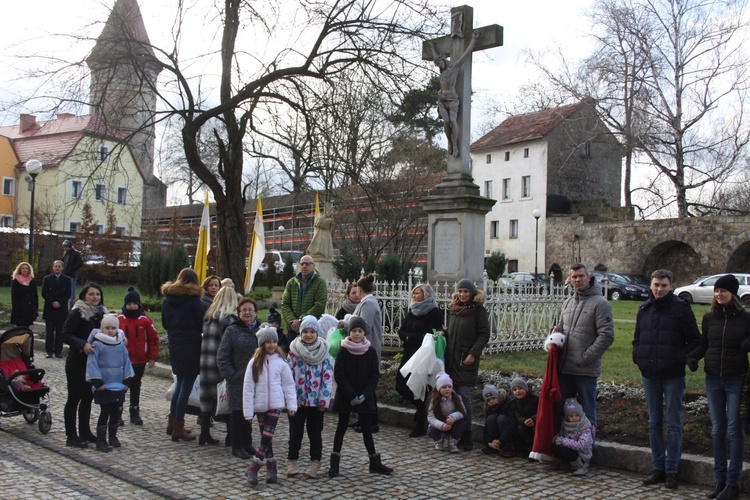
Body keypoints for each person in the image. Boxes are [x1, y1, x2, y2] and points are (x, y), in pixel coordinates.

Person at [633, 269, 701, 490]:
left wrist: (682, 358)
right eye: (656, 285)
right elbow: (637, 339)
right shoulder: (644, 309)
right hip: (649, 374)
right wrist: (638, 356)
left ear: (671, 286)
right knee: (654, 423)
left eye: (663, 285)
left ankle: (672, 469)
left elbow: (695, 341)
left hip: (672, 374)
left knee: (673, 424)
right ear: (651, 286)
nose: (659, 289)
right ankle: (658, 467)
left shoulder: (681, 309)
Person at [687, 275, 750, 500]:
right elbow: (705, 343)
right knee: (717, 429)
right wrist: (693, 357)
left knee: (734, 430)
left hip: (735, 378)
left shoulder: (745, 319)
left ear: (733, 293)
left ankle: (733, 483)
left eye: (723, 291)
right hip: (713, 378)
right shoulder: (709, 318)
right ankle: (719, 479)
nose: (719, 294)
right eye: (717, 291)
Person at [326, 315, 392, 477]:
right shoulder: (343, 351)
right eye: (354, 331)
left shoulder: (370, 352)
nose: (356, 334)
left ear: (364, 333)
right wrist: (351, 395)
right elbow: (339, 375)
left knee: (367, 429)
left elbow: (373, 376)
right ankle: (334, 463)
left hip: (364, 396)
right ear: (349, 332)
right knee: (341, 428)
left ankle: (374, 462)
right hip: (346, 395)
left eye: (360, 331)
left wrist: (364, 394)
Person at [555, 263, 614, 430]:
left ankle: (587, 450)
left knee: (587, 412)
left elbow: (606, 336)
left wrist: (585, 358)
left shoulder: (600, 303)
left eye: (581, 276)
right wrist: (555, 334)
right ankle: (566, 448)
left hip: (585, 370)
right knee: (563, 411)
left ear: (589, 277)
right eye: (574, 277)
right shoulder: (567, 303)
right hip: (565, 369)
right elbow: (561, 328)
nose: (578, 280)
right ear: (570, 280)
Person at [243, 324, 297, 486]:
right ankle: (271, 469)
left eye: (274, 341)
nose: (272, 345)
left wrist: (292, 405)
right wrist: (248, 412)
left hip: (276, 404)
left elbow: (289, 385)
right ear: (262, 344)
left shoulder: (281, 362)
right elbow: (248, 387)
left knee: (267, 436)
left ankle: (254, 466)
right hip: (260, 406)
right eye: (268, 342)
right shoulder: (254, 363)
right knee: (267, 440)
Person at [443, 278, 490, 450]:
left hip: (465, 359)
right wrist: (443, 333)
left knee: (463, 396)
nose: (463, 295)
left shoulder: (478, 311)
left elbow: (484, 334)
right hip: (451, 358)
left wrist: (473, 353)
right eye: (460, 291)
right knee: (452, 397)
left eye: (466, 292)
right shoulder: (454, 310)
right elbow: (452, 331)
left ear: (471, 294)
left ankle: (467, 435)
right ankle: (455, 431)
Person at [285, 315, 333, 479]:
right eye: (305, 331)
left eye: (312, 331)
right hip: (297, 402)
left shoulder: (324, 353)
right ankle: (292, 459)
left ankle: (315, 461)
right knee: (295, 432)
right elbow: (288, 377)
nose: (308, 335)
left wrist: (324, 400)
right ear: (300, 333)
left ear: (317, 333)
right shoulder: (293, 352)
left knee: (315, 433)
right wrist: (291, 399)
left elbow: (327, 378)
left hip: (316, 402)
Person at [161, 268, 205, 442]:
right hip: (191, 344)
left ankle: (172, 422)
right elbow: (201, 323)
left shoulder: (168, 300)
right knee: (185, 388)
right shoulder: (193, 300)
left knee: (179, 384)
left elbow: (164, 323)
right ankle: (178, 426)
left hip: (175, 342)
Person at [61, 282, 106, 448]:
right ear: (84, 296)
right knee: (74, 398)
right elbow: (65, 334)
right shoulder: (78, 312)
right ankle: (71, 434)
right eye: (91, 294)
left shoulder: (102, 313)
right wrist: (82, 344)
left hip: (93, 363)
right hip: (77, 361)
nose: (95, 297)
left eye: (97, 294)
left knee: (88, 397)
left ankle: (85, 431)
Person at [396, 283, 443, 437]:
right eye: (413, 293)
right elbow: (401, 330)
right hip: (408, 353)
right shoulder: (412, 310)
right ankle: (420, 408)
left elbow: (432, 334)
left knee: (421, 387)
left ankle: (421, 424)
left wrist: (411, 337)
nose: (414, 296)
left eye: (418, 293)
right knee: (401, 385)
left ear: (426, 294)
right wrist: (408, 337)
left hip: (423, 355)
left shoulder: (434, 312)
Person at [217, 298, 260, 459]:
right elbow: (222, 356)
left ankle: (247, 443)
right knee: (237, 414)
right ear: (238, 313)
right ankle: (237, 445)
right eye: (244, 310)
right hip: (238, 380)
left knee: (250, 413)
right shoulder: (232, 330)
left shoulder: (261, 330)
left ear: (255, 312)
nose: (247, 313)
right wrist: (231, 374)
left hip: (256, 380)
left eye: (250, 310)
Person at [85, 313, 134, 452]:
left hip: (118, 383)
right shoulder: (98, 344)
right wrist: (97, 381)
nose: (110, 330)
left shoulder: (120, 344)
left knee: (116, 411)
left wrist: (127, 380)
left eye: (113, 328)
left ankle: (113, 436)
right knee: (105, 411)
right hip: (104, 384)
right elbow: (92, 363)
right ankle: (101, 440)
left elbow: (126, 362)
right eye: (107, 328)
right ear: (102, 329)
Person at [429, 29, 479, 157]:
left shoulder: (454, 67)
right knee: (446, 122)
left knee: (453, 121)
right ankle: (450, 143)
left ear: (444, 61)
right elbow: (435, 57)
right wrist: (431, 47)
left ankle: (455, 145)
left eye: (439, 63)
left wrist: (474, 39)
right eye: (437, 64)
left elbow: (466, 53)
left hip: (452, 99)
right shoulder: (442, 70)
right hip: (442, 98)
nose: (438, 66)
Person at [199, 286, 238, 446]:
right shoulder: (229, 319)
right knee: (227, 397)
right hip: (221, 363)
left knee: (207, 398)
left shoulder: (208, 316)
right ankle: (230, 435)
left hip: (206, 361)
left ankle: (204, 433)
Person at [118, 287, 159, 426]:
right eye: (129, 304)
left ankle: (134, 412)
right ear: (125, 305)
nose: (132, 306)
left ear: (138, 305)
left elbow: (153, 339)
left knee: (136, 386)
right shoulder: (119, 320)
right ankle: (117, 413)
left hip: (139, 359)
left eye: (134, 304)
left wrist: (152, 357)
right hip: (122, 361)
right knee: (121, 387)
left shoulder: (145, 321)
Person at [281, 255, 327, 344]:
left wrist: (301, 321)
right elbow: (285, 304)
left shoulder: (320, 283)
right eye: (302, 264)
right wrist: (293, 323)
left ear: (313, 266)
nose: (304, 266)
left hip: (311, 330)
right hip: (293, 330)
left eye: (308, 264)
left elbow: (319, 305)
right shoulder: (291, 283)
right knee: (293, 355)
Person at [426, 372, 468, 453]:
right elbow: (430, 417)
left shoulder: (457, 398)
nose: (447, 389)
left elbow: (463, 412)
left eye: (449, 387)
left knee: (462, 422)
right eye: (444, 387)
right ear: (439, 389)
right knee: (431, 430)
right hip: (440, 423)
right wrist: (442, 426)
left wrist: (452, 417)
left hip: (452, 423)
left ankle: (453, 442)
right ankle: (439, 441)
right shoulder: (434, 400)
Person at [551, 398, 594, 476]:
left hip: (582, 454)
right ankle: (562, 461)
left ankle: (581, 466)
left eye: (577, 415)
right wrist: (556, 439)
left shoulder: (585, 427)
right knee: (555, 446)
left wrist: (563, 441)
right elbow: (561, 435)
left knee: (565, 451)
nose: (574, 418)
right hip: (570, 448)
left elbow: (582, 445)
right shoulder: (565, 424)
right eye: (571, 416)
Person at [41, 260, 72, 358]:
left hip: (61, 309)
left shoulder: (67, 280)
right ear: (53, 267)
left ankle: (58, 351)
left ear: (62, 268)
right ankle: (49, 351)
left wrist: (60, 302)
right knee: (49, 332)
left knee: (60, 332)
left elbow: (68, 294)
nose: (57, 268)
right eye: (55, 266)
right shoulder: (47, 279)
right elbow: (44, 292)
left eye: (59, 266)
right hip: (50, 309)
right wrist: (52, 302)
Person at [481, 384, 515, 456]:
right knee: (491, 419)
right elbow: (486, 428)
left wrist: (500, 440)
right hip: (496, 438)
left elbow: (512, 424)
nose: (491, 401)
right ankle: (494, 446)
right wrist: (488, 442)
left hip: (509, 434)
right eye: (488, 400)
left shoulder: (508, 403)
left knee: (501, 418)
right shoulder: (489, 409)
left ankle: (508, 447)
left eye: (493, 398)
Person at [508, 377, 539, 455]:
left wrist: (533, 419)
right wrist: (524, 420)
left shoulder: (535, 398)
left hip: (537, 421)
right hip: (525, 423)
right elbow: (518, 415)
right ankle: (528, 448)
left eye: (520, 388)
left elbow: (542, 412)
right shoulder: (514, 402)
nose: (518, 391)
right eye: (515, 390)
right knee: (520, 428)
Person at [10, 261, 38, 327]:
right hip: (19, 308)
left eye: (26, 268)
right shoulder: (16, 280)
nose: (25, 270)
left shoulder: (32, 280)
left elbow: (35, 295)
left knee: (27, 329)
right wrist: (16, 310)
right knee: (19, 329)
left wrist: (35, 308)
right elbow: (14, 296)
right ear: (20, 269)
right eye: (23, 268)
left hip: (29, 309)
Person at [62, 239, 83, 309]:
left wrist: (71, 269)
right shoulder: (66, 253)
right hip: (65, 274)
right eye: (64, 247)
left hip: (71, 275)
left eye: (66, 247)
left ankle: (71, 307)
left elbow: (80, 263)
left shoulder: (75, 253)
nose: (65, 248)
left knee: (72, 292)